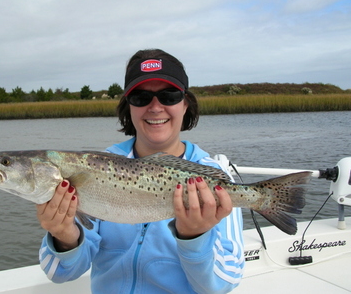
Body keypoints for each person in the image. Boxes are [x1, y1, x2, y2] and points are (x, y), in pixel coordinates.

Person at [37, 49, 244, 293]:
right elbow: (59, 273)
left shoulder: (212, 175)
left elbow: (224, 282)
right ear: (129, 106)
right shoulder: (96, 167)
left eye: (169, 96)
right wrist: (64, 236)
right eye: (140, 97)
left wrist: (194, 238)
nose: (155, 107)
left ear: (186, 103)